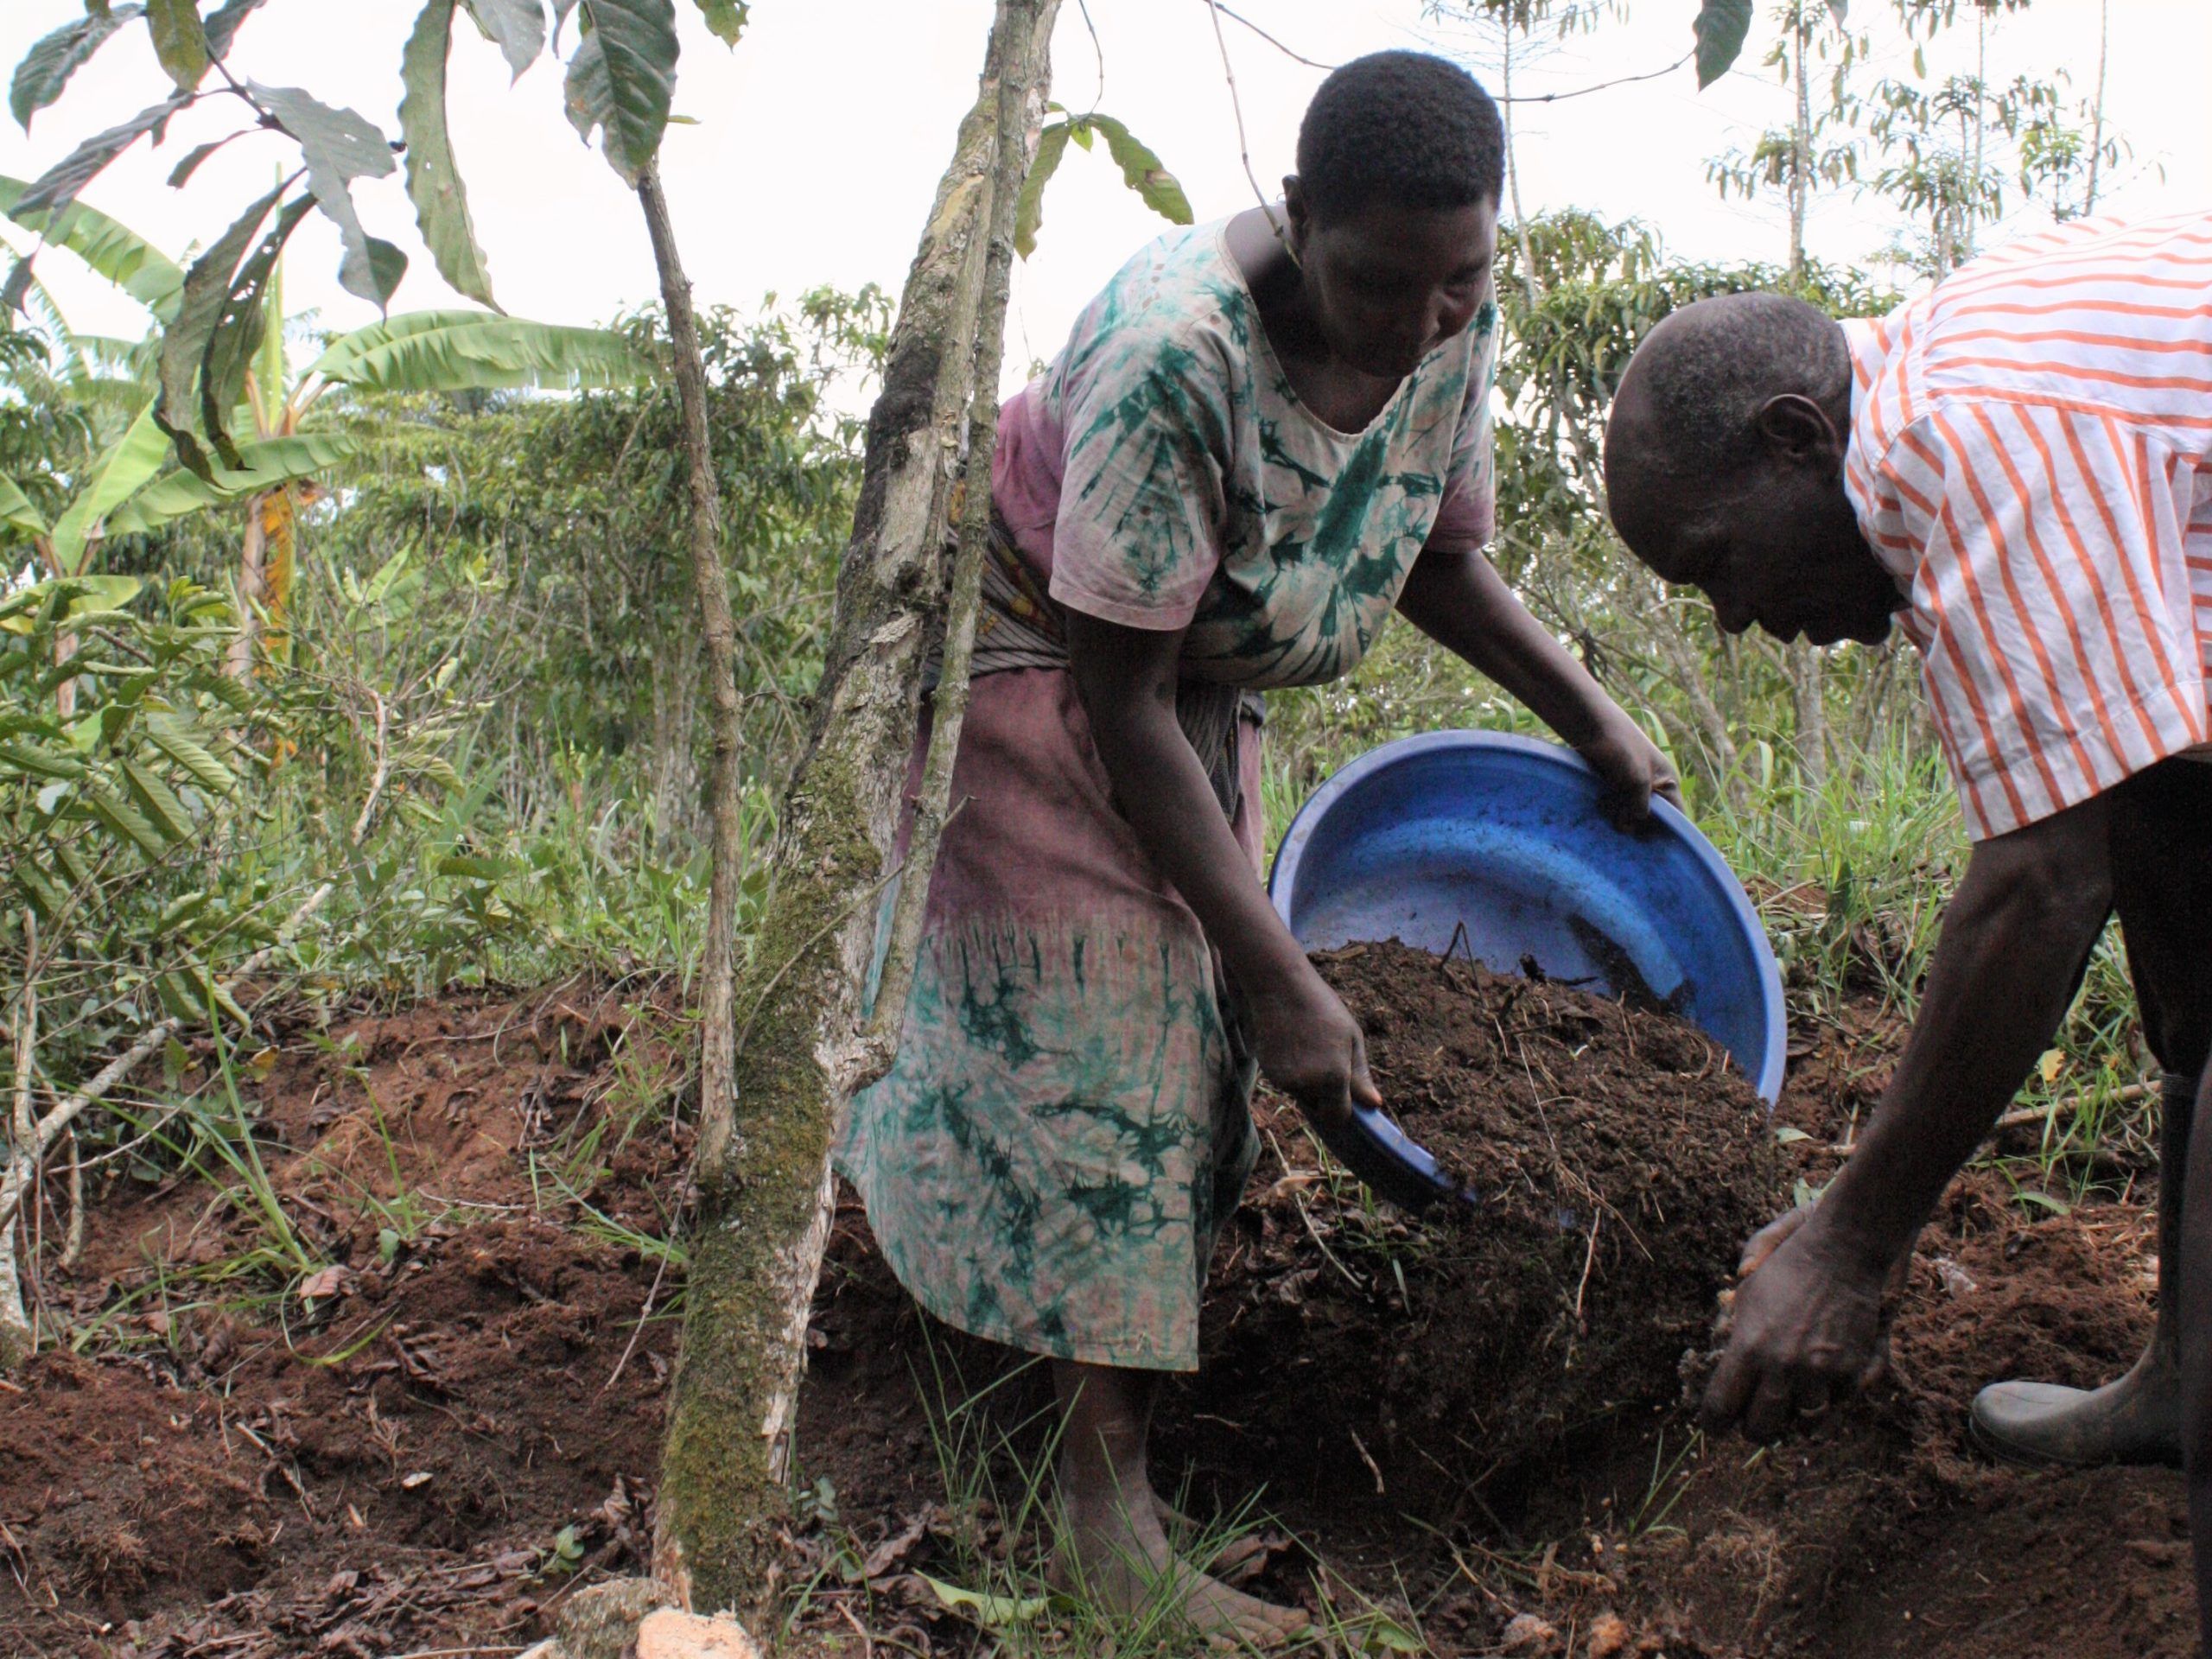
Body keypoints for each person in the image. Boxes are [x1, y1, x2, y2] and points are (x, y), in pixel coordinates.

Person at [837, 49, 1676, 1643]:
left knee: (1196, 1025)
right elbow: (1122, 689)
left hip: (1185, 670)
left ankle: (1068, 1352)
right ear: (1297, 221)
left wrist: (1592, 718)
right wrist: (1281, 974)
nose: (1425, 320)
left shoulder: (1449, 315)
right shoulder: (1179, 351)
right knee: (1118, 1027)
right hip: (1045, 652)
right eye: (1382, 281)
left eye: (1462, 279)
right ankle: (1099, 1513)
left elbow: (1430, 549)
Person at [1600, 211, 2212, 1621]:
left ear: (1798, 440)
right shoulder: (1939, 390)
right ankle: (2187, 1375)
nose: (1737, 621)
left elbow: (2040, 886)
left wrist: (1850, 1242)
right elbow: (2142, 801)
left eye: (1714, 565)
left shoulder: (1969, 446)